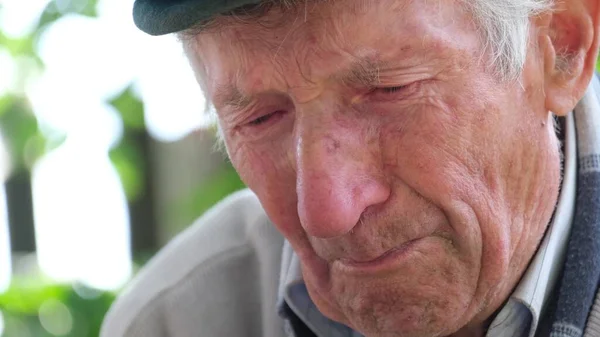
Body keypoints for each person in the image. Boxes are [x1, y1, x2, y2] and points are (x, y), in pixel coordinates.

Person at [101, 0, 600, 336]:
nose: (326, 212)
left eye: (390, 90)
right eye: (260, 118)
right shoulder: (174, 320)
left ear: (561, 51)